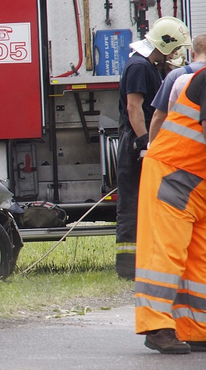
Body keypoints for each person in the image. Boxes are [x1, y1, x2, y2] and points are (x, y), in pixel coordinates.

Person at [134, 60, 206, 356]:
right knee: (163, 253)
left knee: (198, 258)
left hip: (196, 179)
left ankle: (195, 328)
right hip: (173, 173)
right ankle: (157, 326)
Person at [114, 17, 191, 280]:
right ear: (165, 44)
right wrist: (144, 143)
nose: (178, 53)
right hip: (137, 143)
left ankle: (144, 262)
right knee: (133, 205)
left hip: (143, 141)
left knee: (147, 204)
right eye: (176, 47)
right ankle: (127, 267)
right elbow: (134, 107)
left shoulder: (148, 65)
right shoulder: (138, 66)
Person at [148, 34, 206, 143]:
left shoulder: (177, 76)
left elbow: (159, 116)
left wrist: (151, 146)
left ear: (192, 54)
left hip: (184, 145)